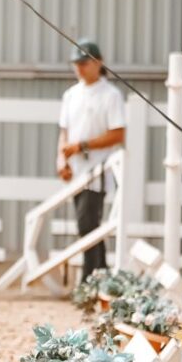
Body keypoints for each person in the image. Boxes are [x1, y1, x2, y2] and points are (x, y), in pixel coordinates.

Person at [56, 39, 126, 282]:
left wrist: (83, 146)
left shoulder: (111, 95)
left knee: (87, 225)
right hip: (76, 170)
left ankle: (89, 277)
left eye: (84, 63)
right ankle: (100, 276)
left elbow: (117, 133)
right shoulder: (70, 95)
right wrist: (61, 161)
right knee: (89, 227)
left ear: (98, 63)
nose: (80, 68)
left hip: (98, 170)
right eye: (77, 63)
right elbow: (64, 132)